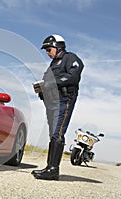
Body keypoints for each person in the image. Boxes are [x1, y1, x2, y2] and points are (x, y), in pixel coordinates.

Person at [31, 34, 84, 180]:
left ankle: (54, 170)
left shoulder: (70, 58)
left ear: (58, 47)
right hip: (52, 102)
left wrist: (52, 84)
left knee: (57, 133)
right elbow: (47, 82)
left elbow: (73, 76)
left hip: (65, 99)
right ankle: (50, 167)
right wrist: (42, 90)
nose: (47, 53)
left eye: (49, 49)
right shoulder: (52, 65)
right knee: (53, 133)